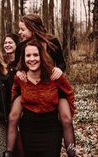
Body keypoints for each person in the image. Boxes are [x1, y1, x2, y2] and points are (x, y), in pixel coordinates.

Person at [13, 14, 76, 156]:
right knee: (14, 116)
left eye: (22, 29)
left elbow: (62, 62)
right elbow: (18, 66)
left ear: (32, 28)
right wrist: (19, 72)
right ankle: (11, 150)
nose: (19, 32)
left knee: (66, 118)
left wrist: (60, 69)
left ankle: (73, 152)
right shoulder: (21, 46)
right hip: (31, 88)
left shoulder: (52, 41)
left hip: (52, 87)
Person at [3, 33, 24, 157]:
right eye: (5, 43)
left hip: (19, 101)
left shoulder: (21, 61)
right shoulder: (2, 60)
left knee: (20, 133)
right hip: (4, 101)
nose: (7, 45)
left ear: (17, 44)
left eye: (10, 42)